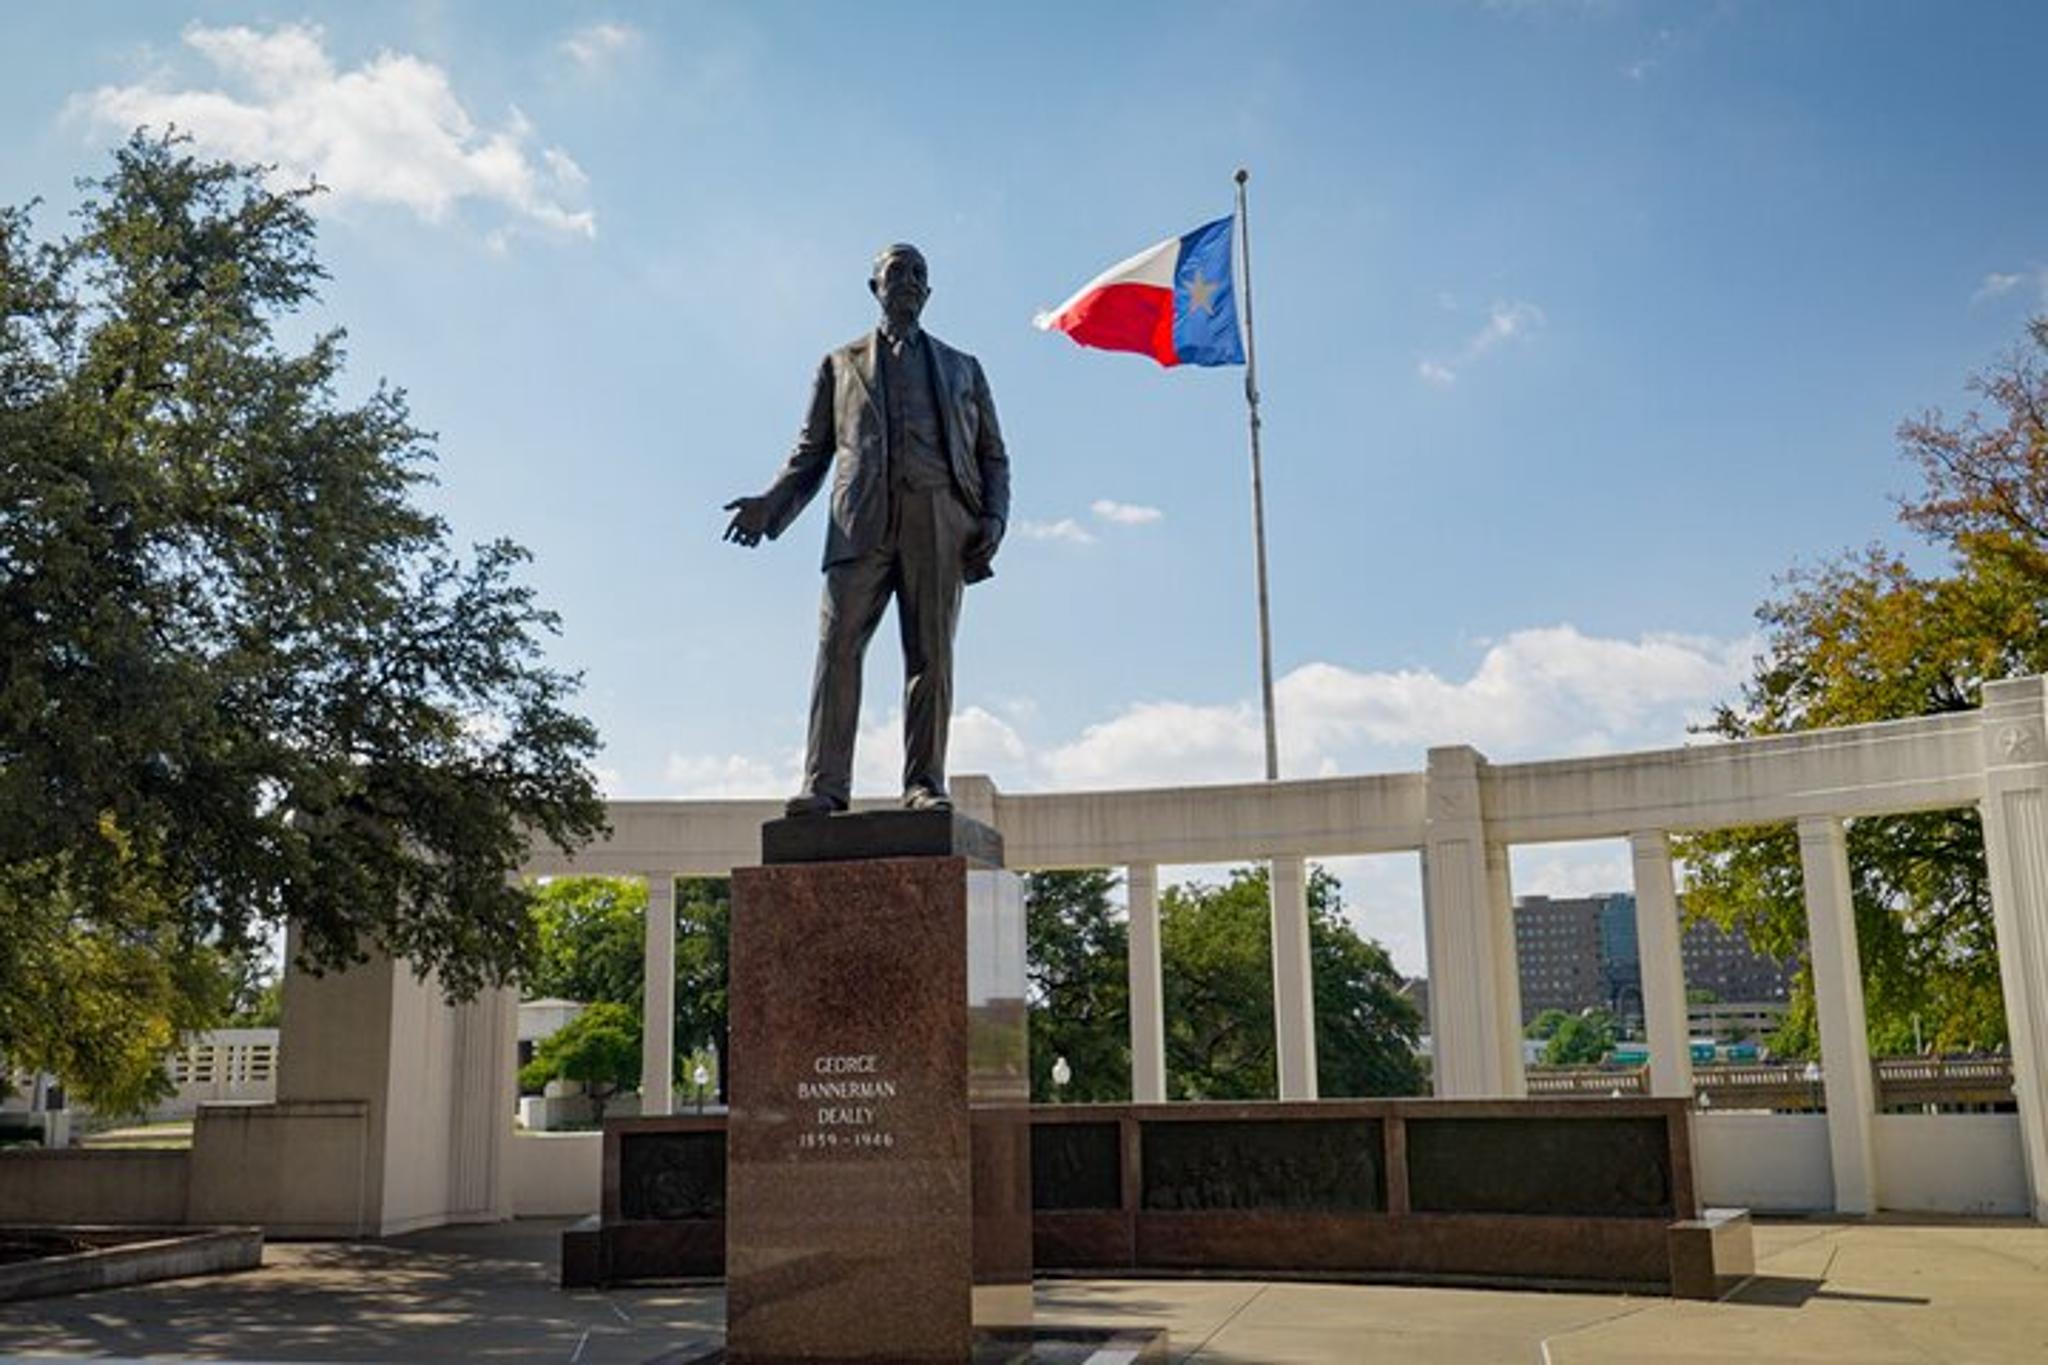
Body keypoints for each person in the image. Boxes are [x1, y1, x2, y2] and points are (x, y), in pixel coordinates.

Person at [723, 244, 1010, 816]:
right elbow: (811, 454)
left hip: (938, 518)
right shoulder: (839, 364)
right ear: (874, 286)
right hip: (858, 523)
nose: (908, 281)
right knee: (836, 649)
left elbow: (993, 456)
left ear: (928, 293)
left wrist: (994, 518)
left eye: (919, 274)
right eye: (896, 272)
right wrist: (769, 506)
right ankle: (825, 786)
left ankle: (925, 784)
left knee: (931, 657)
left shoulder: (963, 368)